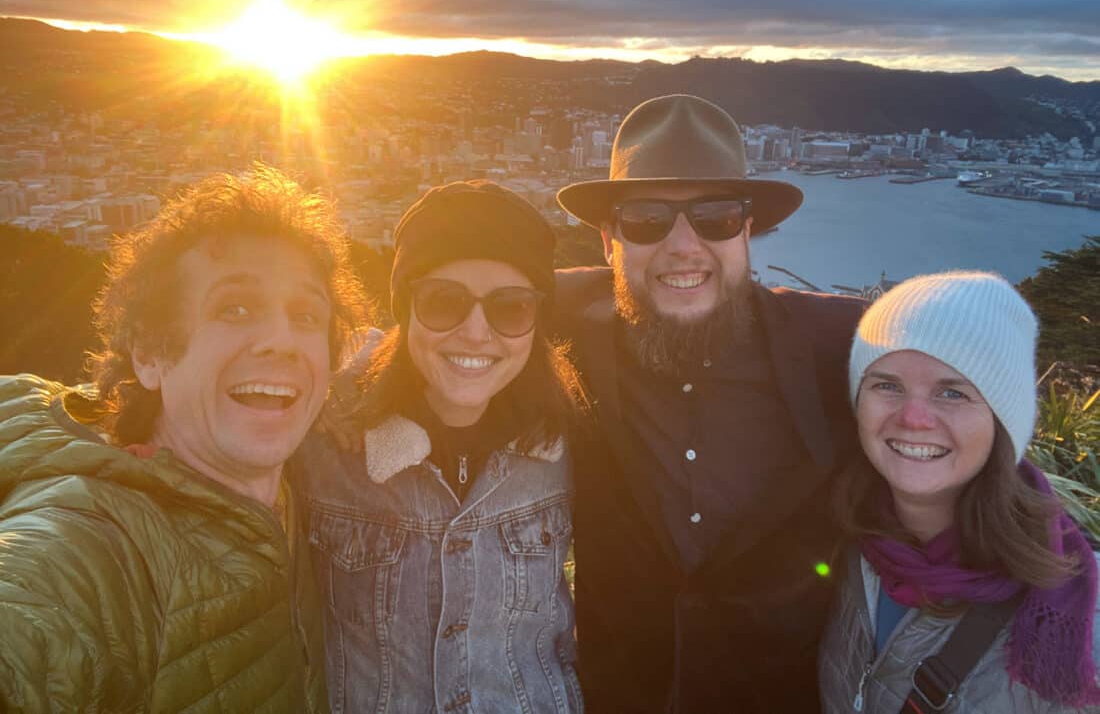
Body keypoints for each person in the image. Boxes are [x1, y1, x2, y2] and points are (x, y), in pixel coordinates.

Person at [0, 165, 367, 712]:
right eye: (234, 308)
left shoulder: (295, 479)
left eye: (306, 315)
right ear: (149, 353)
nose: (281, 340)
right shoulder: (92, 546)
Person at [554, 93, 867, 713]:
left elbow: (951, 416)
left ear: (748, 230)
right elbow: (448, 327)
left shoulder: (841, 342)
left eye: (716, 216)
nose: (682, 245)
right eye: (646, 219)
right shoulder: (561, 327)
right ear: (608, 240)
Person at [298, 180, 588, 714]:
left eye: (511, 308)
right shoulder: (323, 438)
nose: (476, 332)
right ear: (405, 308)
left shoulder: (567, 441)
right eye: (443, 301)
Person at [820, 271, 1100, 713]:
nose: (913, 418)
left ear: (1002, 423)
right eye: (887, 385)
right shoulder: (845, 543)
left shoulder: (1075, 618)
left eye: (952, 392)